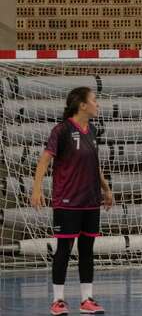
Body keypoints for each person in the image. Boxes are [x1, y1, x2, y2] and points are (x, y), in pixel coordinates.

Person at [31, 87, 113, 315]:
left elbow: (94, 165)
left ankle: (87, 299)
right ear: (82, 105)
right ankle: (58, 301)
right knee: (63, 250)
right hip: (67, 202)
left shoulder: (93, 130)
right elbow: (43, 162)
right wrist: (36, 190)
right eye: (95, 100)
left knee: (87, 250)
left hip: (90, 200)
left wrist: (106, 189)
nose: (98, 105)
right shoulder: (62, 130)